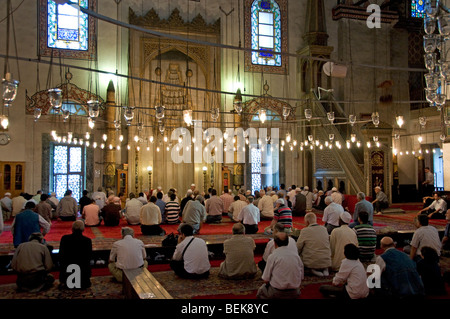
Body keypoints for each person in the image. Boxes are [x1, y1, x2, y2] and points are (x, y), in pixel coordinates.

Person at [257, 232, 304, 299]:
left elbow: (266, 279)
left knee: (261, 290)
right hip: (295, 293)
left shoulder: (273, 256)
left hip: (276, 292)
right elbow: (301, 277)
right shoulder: (296, 256)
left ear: (275, 243)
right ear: (288, 242)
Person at [58, 220, 93, 289]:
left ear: (72, 228)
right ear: (83, 229)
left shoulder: (65, 239)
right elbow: (89, 257)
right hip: (83, 277)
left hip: (67, 275)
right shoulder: (87, 241)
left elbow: (61, 255)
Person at [297, 212, 331, 277]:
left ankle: (313, 270)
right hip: (326, 260)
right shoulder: (324, 229)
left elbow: (298, 247)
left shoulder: (305, 231)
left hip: (311, 262)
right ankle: (325, 269)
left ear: (307, 222)